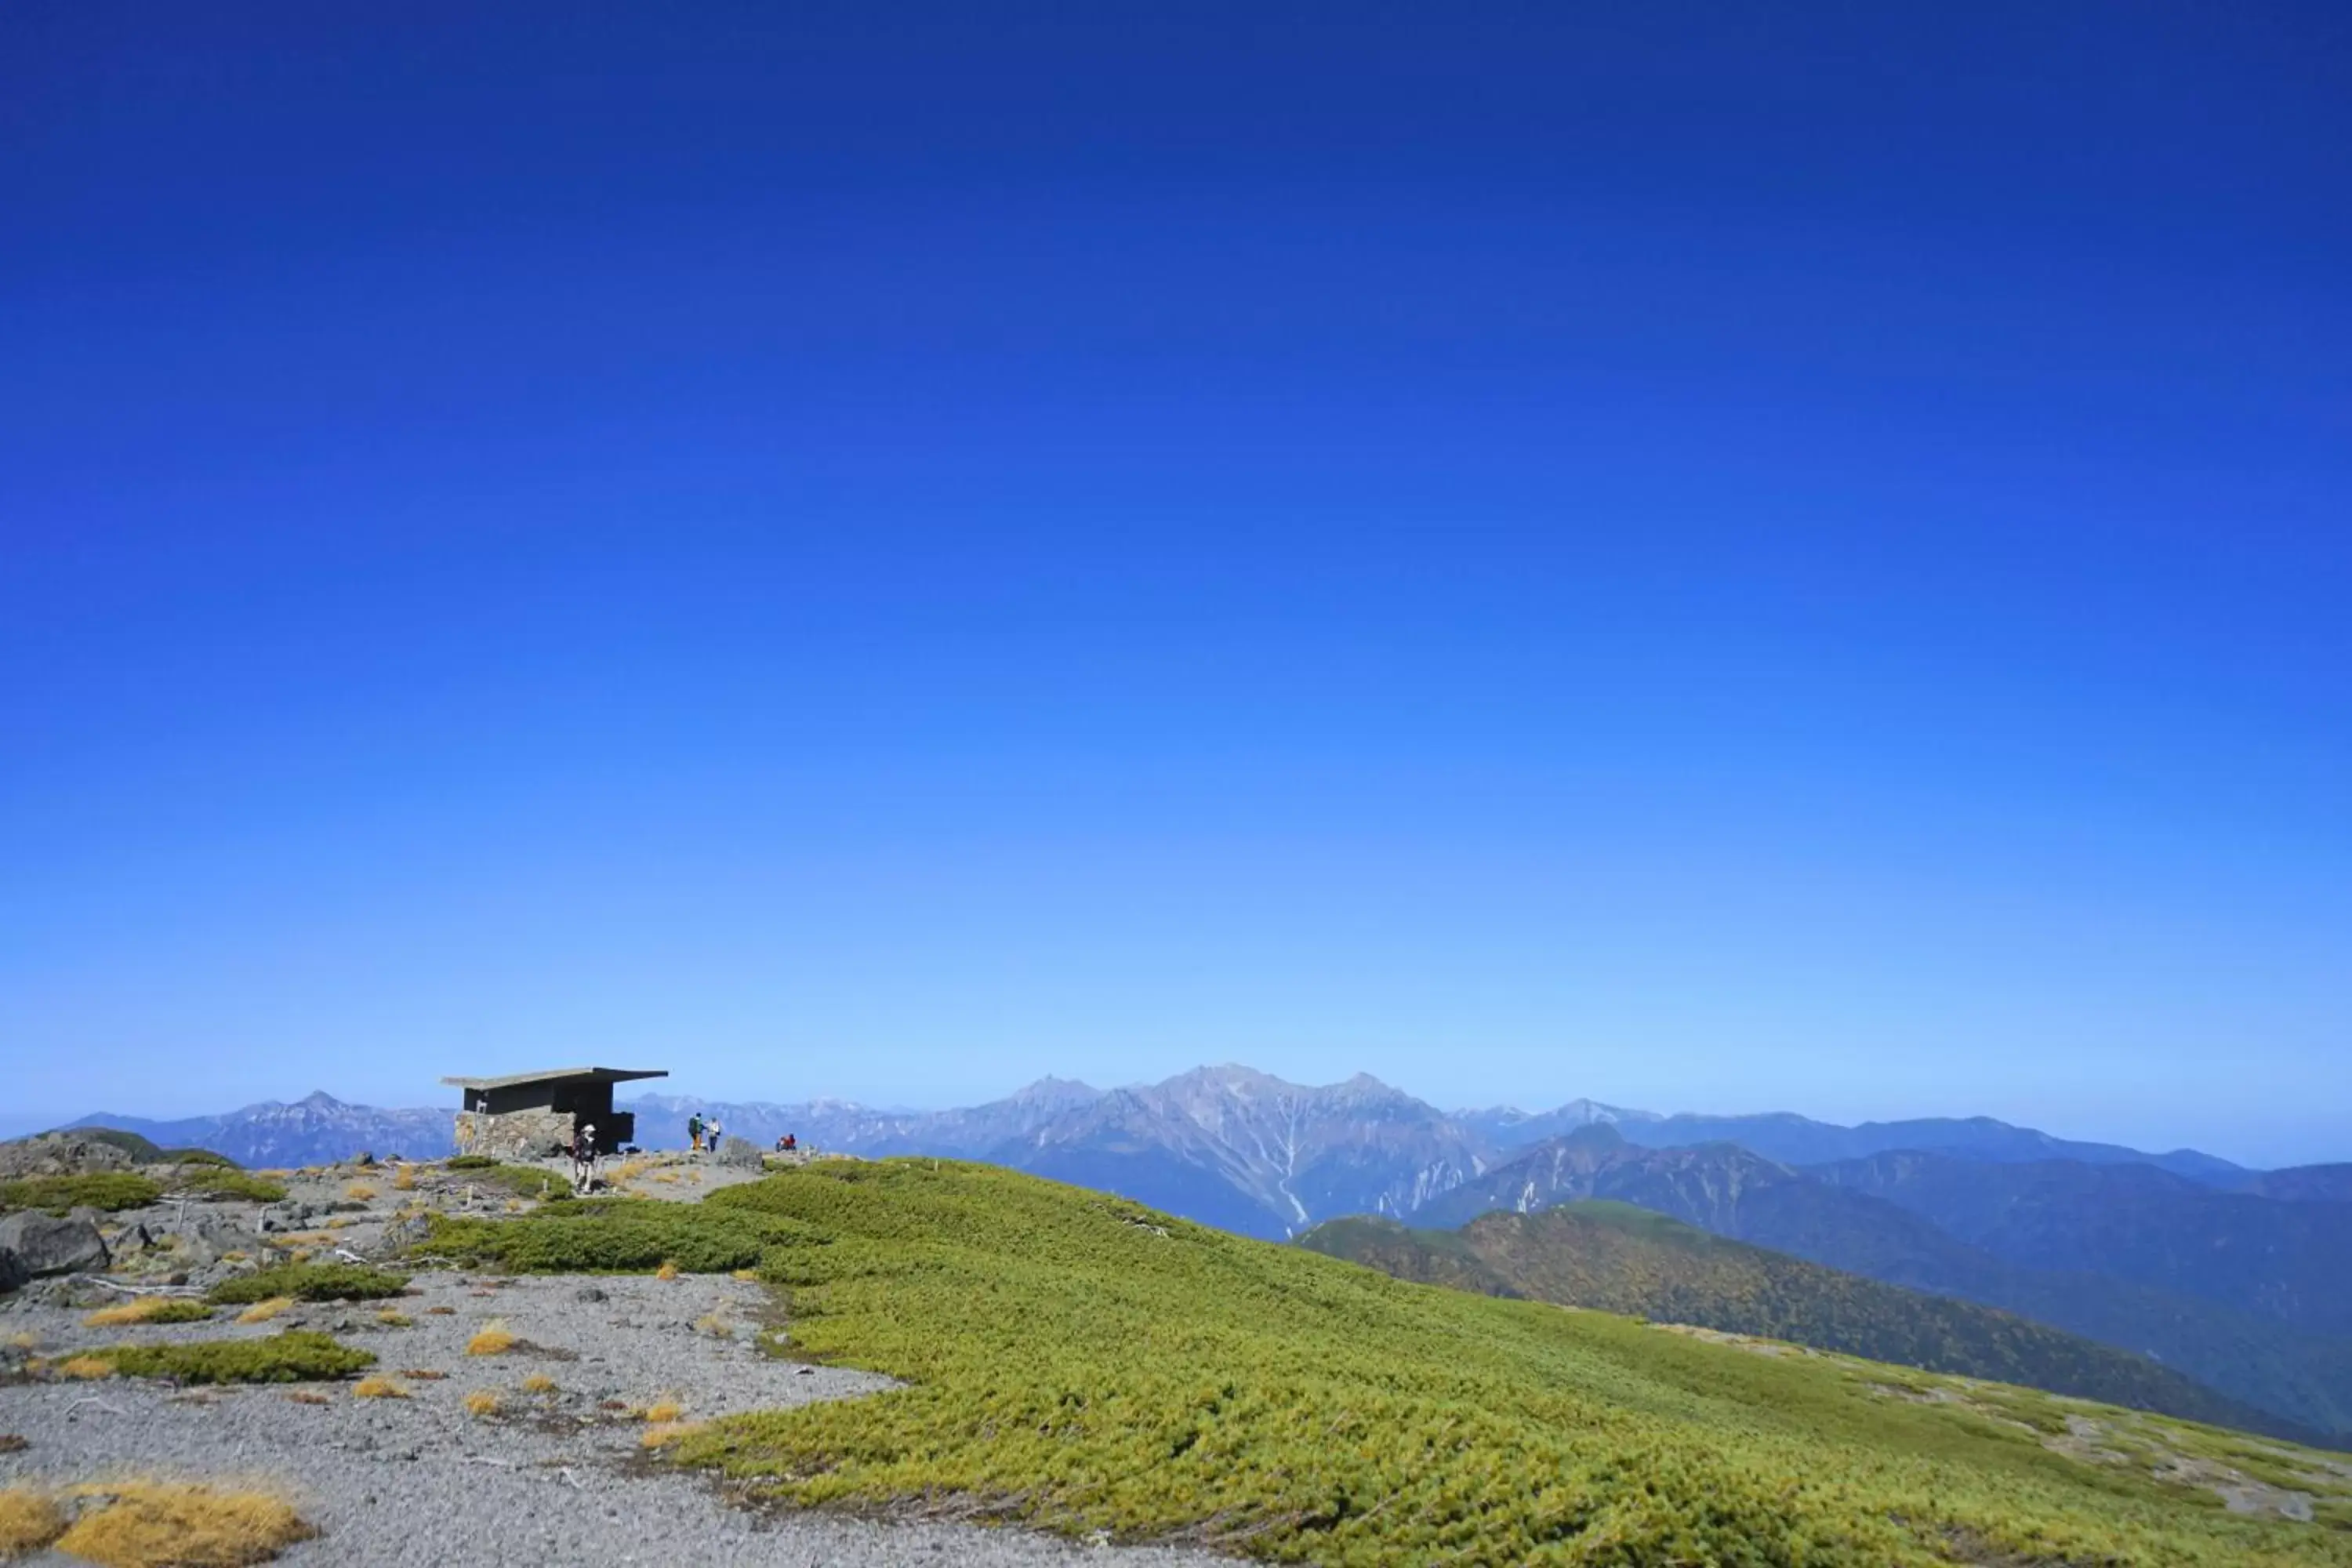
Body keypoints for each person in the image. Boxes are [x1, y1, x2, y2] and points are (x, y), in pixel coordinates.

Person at [572, 1122, 599, 1194]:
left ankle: (587, 1188)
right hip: (582, 1160)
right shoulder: (581, 1139)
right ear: (587, 1131)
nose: (592, 1133)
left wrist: (596, 1152)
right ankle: (577, 1184)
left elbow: (594, 1148)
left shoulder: (593, 1140)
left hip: (590, 1160)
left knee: (590, 1175)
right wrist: (578, 1157)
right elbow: (577, 1148)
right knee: (582, 1174)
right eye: (591, 1131)